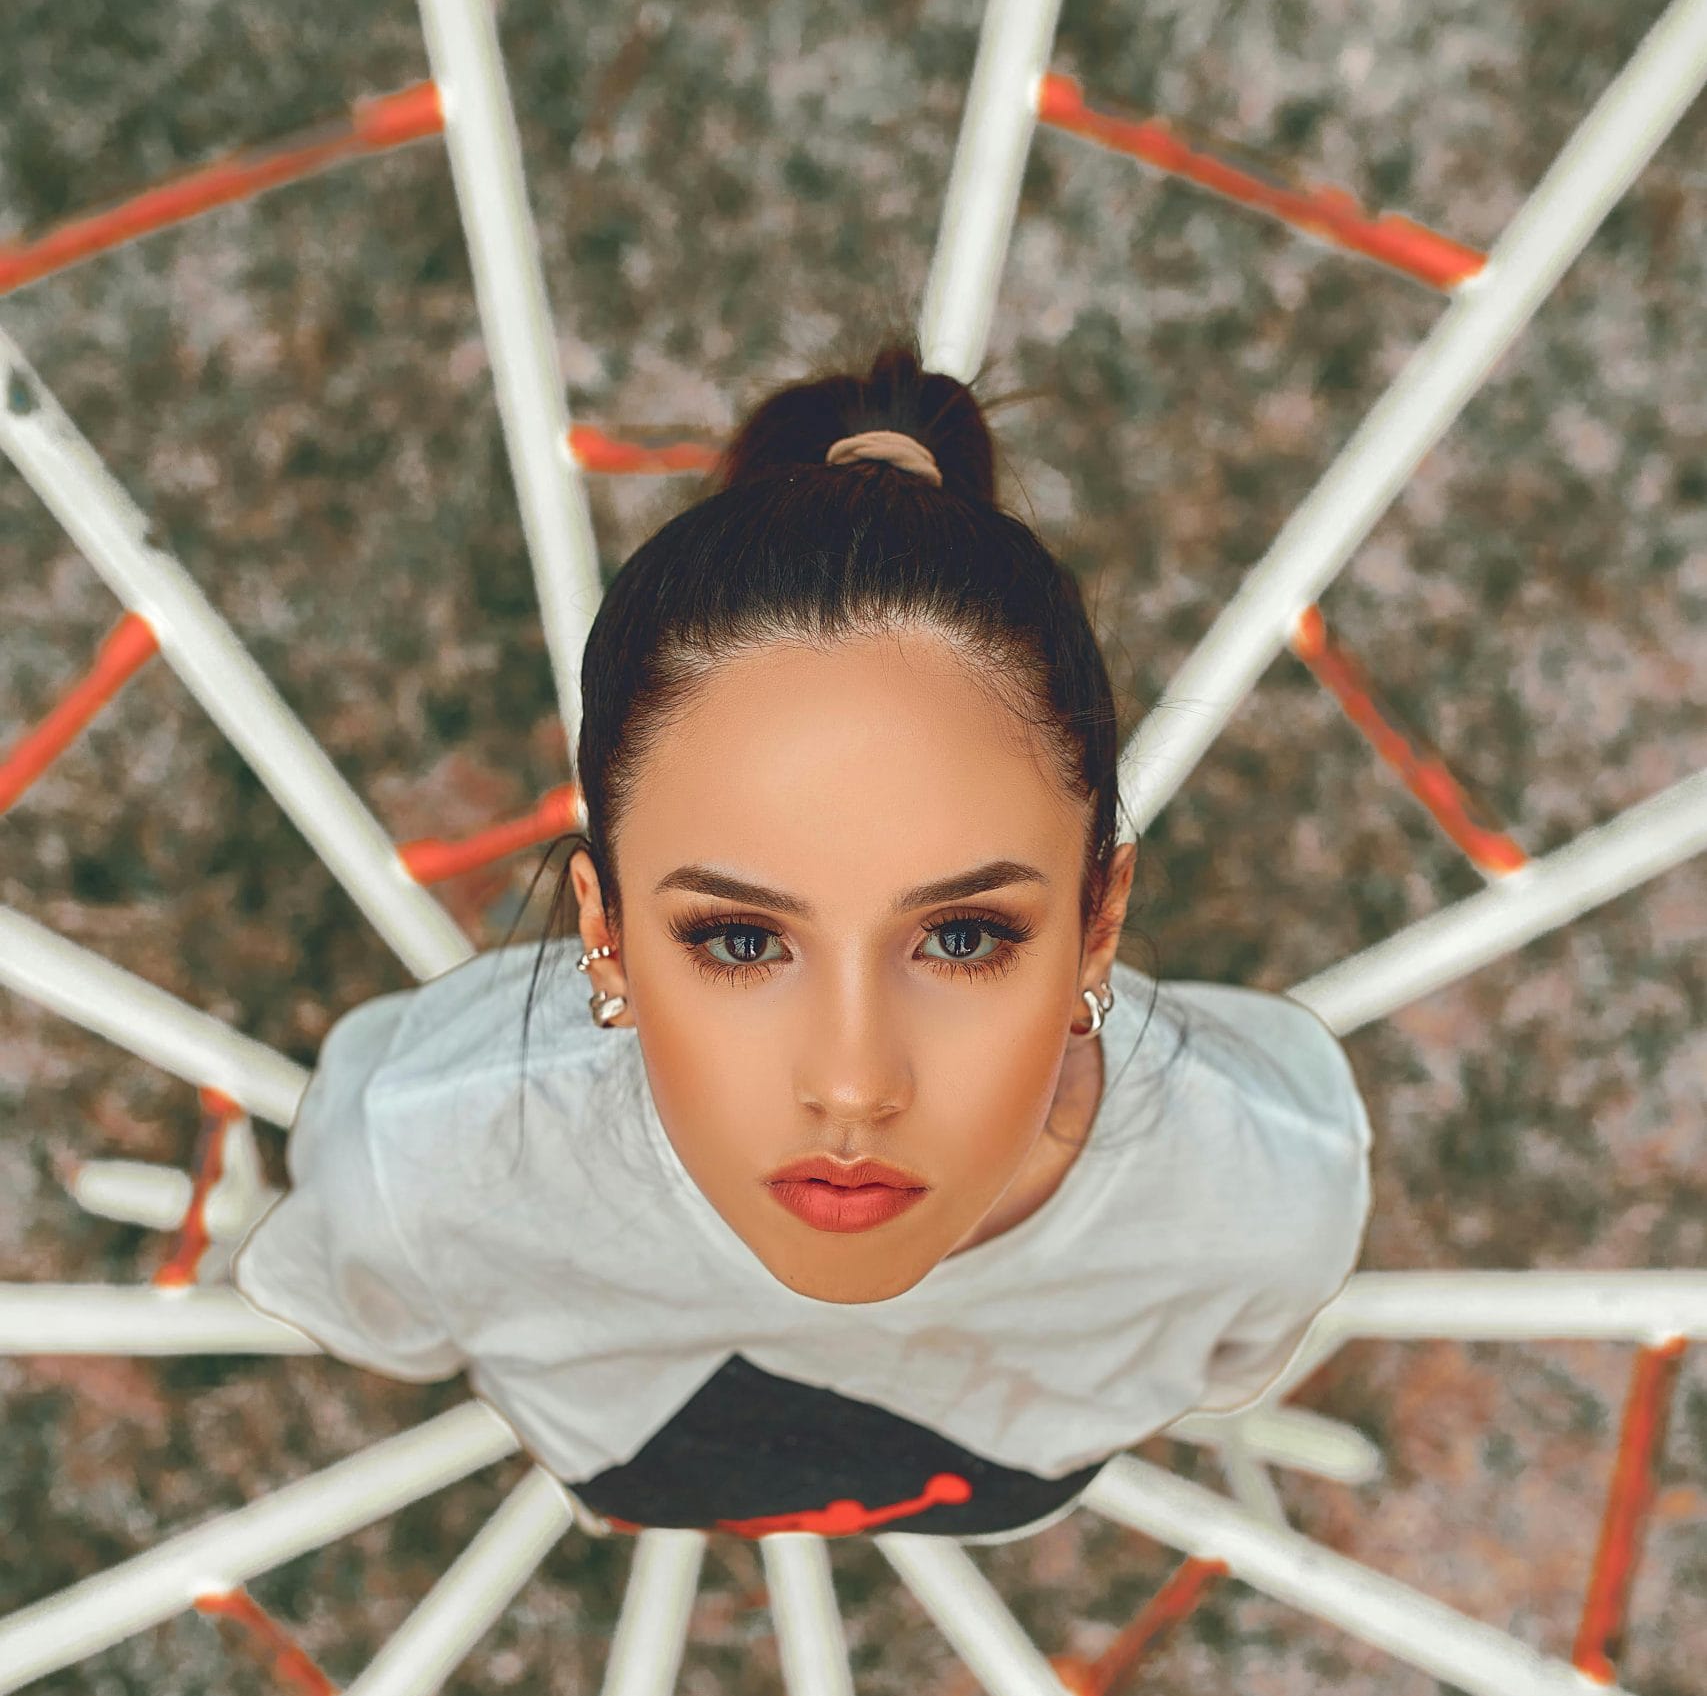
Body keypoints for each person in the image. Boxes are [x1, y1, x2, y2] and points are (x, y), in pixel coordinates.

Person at [232, 342, 1372, 1546]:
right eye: (738, 940)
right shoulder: (425, 1152)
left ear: (1099, 922)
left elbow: (394, 1327)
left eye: (964, 934)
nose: (851, 1084)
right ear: (604, 932)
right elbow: (1232, 1360)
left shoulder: (1270, 1186)